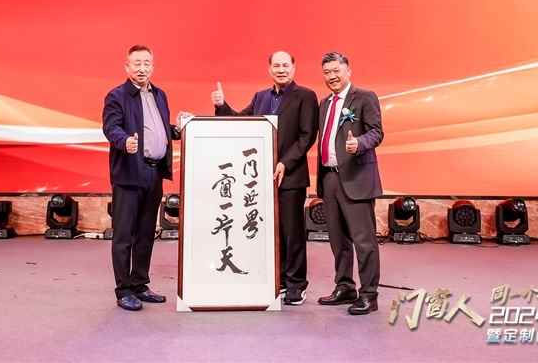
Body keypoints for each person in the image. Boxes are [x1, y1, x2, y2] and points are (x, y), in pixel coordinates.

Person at [211, 51, 319, 305]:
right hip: (261, 178)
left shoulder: (306, 96)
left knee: (292, 232)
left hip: (290, 177)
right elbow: (241, 122)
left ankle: (296, 284)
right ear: (270, 69)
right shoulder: (261, 97)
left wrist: (285, 162)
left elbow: (307, 136)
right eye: (276, 66)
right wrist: (221, 106)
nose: (281, 70)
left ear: (293, 68)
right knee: (270, 231)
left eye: (285, 65)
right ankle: (277, 280)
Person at [102, 44, 188, 311]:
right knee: (124, 235)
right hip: (129, 174)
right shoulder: (117, 96)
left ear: (153, 66)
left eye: (146, 63)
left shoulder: (159, 95)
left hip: (154, 173)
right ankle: (123, 290)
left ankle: (140, 283)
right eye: (137, 63)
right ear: (127, 67)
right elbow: (110, 127)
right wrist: (124, 141)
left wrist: (179, 129)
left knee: (146, 233)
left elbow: (159, 128)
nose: (142, 68)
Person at [314, 51, 384, 315]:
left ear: (348, 71)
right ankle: (344, 287)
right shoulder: (324, 103)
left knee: (364, 241)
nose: (332, 76)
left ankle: (369, 294)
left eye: (336, 71)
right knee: (338, 240)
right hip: (330, 177)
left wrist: (360, 143)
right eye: (327, 72)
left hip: (356, 178)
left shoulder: (364, 97)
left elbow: (376, 132)